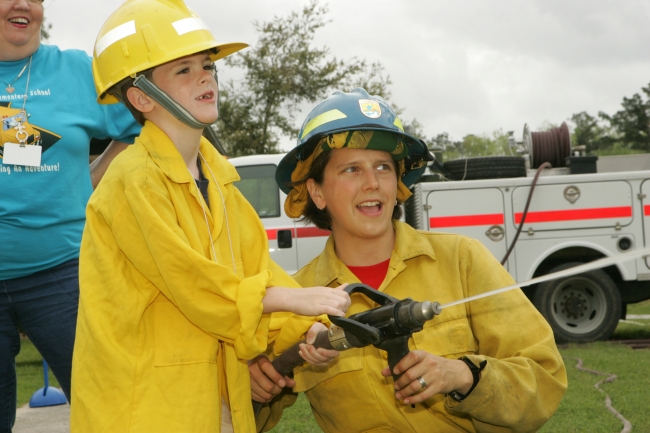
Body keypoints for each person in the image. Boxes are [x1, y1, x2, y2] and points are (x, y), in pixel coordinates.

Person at [70, 1, 350, 432]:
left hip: (205, 399)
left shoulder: (218, 181)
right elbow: (193, 283)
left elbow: (258, 271)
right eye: (183, 70)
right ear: (141, 97)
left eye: (207, 65)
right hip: (141, 408)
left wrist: (308, 328)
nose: (205, 77)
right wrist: (291, 300)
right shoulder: (131, 181)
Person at [251, 88, 568, 433]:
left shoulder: (461, 259)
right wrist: (253, 384)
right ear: (317, 192)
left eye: (383, 167)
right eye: (352, 169)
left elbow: (544, 379)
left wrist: (462, 375)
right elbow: (244, 415)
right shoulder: (295, 297)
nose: (372, 183)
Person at [0, 0, 140, 430]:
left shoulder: (78, 70)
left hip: (64, 274)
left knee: (107, 412)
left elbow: (140, 126)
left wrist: (95, 177)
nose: (23, 4)